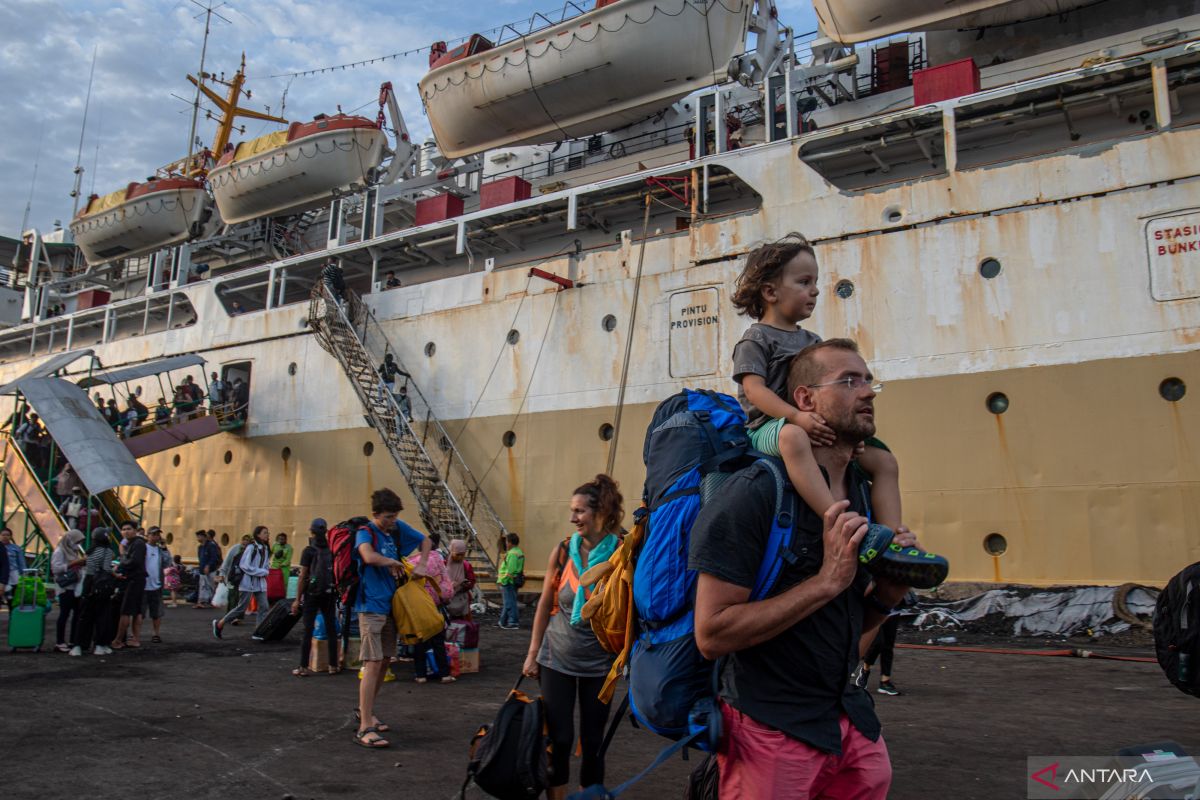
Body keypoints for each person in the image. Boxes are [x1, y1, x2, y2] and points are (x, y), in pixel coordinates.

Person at [690, 339, 922, 800]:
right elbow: (711, 636)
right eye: (849, 381)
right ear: (805, 400)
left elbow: (848, 640)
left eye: (869, 379)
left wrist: (884, 599)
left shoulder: (863, 493)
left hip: (850, 726)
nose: (868, 391)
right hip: (770, 730)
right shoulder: (753, 496)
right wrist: (827, 581)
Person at [731, 233, 902, 530]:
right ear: (770, 293)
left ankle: (894, 535)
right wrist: (796, 417)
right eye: (804, 282)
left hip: (815, 422)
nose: (816, 291)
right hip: (768, 427)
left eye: (815, 282)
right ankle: (836, 519)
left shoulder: (813, 341)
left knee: (883, 460)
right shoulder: (756, 338)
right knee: (792, 438)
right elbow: (752, 389)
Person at [522, 475, 623, 798]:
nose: (573, 518)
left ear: (602, 512)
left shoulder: (622, 553)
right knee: (560, 739)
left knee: (594, 743)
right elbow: (544, 604)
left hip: (600, 662)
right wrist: (533, 652)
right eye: (572, 510)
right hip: (557, 657)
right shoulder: (564, 550)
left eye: (580, 511)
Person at [353, 488, 432, 749]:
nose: (393, 521)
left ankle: (367, 711)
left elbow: (426, 540)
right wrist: (391, 561)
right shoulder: (366, 532)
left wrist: (421, 565)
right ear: (376, 515)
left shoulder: (396, 529)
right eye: (388, 517)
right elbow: (367, 555)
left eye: (396, 516)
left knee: (385, 660)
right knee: (373, 663)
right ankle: (365, 726)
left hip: (391, 606)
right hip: (371, 606)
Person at [293, 519, 339, 677]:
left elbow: (303, 576)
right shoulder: (332, 549)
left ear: (311, 531)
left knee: (308, 630)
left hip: (312, 594)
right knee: (331, 628)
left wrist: (297, 599)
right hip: (329, 592)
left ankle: (303, 667)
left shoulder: (309, 550)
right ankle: (333, 665)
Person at [411, 531, 455, 684]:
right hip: (436, 606)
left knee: (419, 642)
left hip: (419, 607)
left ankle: (420, 675)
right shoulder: (438, 558)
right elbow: (446, 583)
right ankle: (444, 674)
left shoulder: (412, 562)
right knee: (438, 642)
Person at [213, 526, 271, 638]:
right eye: (265, 533)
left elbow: (264, 565)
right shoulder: (251, 547)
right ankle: (220, 624)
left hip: (260, 583)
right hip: (248, 582)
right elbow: (244, 565)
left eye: (268, 533)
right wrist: (262, 572)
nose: (267, 535)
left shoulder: (265, 548)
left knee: (264, 606)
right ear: (258, 534)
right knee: (241, 608)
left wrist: (265, 570)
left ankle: (258, 632)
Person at [75, 530, 117, 656]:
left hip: (88, 583)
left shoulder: (90, 551)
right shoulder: (108, 551)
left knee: (85, 616)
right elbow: (106, 568)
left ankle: (79, 646)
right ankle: (100, 645)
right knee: (103, 615)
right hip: (102, 584)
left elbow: (89, 567)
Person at [110, 521, 147, 649]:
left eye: (129, 529)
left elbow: (134, 561)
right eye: (123, 529)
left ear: (135, 530)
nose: (126, 531)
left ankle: (118, 640)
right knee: (136, 611)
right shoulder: (135, 543)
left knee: (126, 611)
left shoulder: (138, 543)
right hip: (137, 579)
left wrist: (120, 566)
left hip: (133, 579)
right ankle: (135, 639)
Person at [51, 529, 87, 654]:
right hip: (65, 588)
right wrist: (75, 563)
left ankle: (73, 640)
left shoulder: (73, 551)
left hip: (75, 587)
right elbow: (55, 569)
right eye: (76, 541)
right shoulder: (60, 551)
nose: (77, 544)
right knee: (64, 614)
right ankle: (60, 642)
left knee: (77, 615)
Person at [133, 527, 169, 644]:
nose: (156, 537)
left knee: (157, 612)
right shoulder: (142, 547)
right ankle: (135, 635)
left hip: (156, 585)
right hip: (143, 584)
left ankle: (156, 633)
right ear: (148, 535)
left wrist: (165, 548)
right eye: (153, 534)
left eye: (158, 534)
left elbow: (167, 563)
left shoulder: (160, 550)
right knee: (139, 613)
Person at [496, 532, 524, 629]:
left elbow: (510, 570)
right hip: (514, 580)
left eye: (507, 542)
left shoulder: (512, 554)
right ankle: (502, 621)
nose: (506, 544)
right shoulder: (519, 552)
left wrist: (503, 580)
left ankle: (513, 622)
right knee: (509, 601)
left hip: (508, 581)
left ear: (510, 543)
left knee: (509, 603)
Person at [218, 534, 252, 615]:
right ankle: (230, 614)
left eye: (247, 540)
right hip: (232, 576)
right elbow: (227, 561)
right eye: (244, 539)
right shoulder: (235, 548)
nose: (245, 542)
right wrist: (222, 574)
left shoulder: (251, 551)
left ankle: (237, 617)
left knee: (241, 598)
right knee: (232, 596)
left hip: (244, 578)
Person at [445, 539, 476, 621]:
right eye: (458, 554)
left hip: (461, 601)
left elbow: (472, 580)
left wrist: (465, 585)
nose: (460, 557)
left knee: (462, 626)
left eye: (462, 555)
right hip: (446, 601)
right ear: (451, 551)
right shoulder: (443, 563)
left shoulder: (466, 565)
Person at [195, 530, 222, 608]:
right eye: (197, 536)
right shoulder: (200, 547)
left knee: (211, 585)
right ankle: (201, 602)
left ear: (204, 537)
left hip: (211, 569)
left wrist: (208, 565)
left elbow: (214, 557)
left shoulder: (211, 545)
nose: (198, 538)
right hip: (202, 568)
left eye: (199, 536)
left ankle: (214, 601)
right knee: (202, 585)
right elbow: (200, 558)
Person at [2, 527, 27, 606]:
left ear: (11, 537)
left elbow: (21, 562)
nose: (5, 537)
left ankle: (12, 615)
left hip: (13, 573)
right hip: (1, 574)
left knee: (12, 597)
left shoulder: (16, 548)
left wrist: (23, 574)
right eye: (3, 535)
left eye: (8, 535)